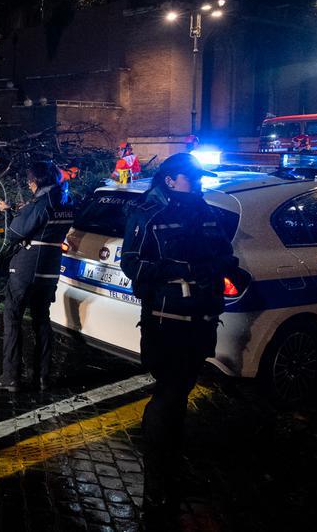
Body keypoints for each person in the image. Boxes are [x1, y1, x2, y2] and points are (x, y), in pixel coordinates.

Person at [119, 152, 238, 522]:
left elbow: (225, 254)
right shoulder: (149, 214)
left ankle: (172, 470)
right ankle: (156, 484)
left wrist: (220, 267)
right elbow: (132, 263)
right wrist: (177, 268)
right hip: (166, 320)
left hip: (202, 318)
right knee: (168, 394)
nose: (198, 182)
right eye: (191, 177)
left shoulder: (209, 213)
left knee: (180, 393)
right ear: (170, 180)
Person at [0, 160, 75, 393]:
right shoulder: (66, 201)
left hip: (28, 267)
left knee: (12, 316)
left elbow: (15, 233)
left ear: (37, 182)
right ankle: (42, 376)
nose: (29, 185)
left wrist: (8, 213)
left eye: (30, 181)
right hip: (50, 267)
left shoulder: (40, 204)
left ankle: (11, 377)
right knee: (41, 319)